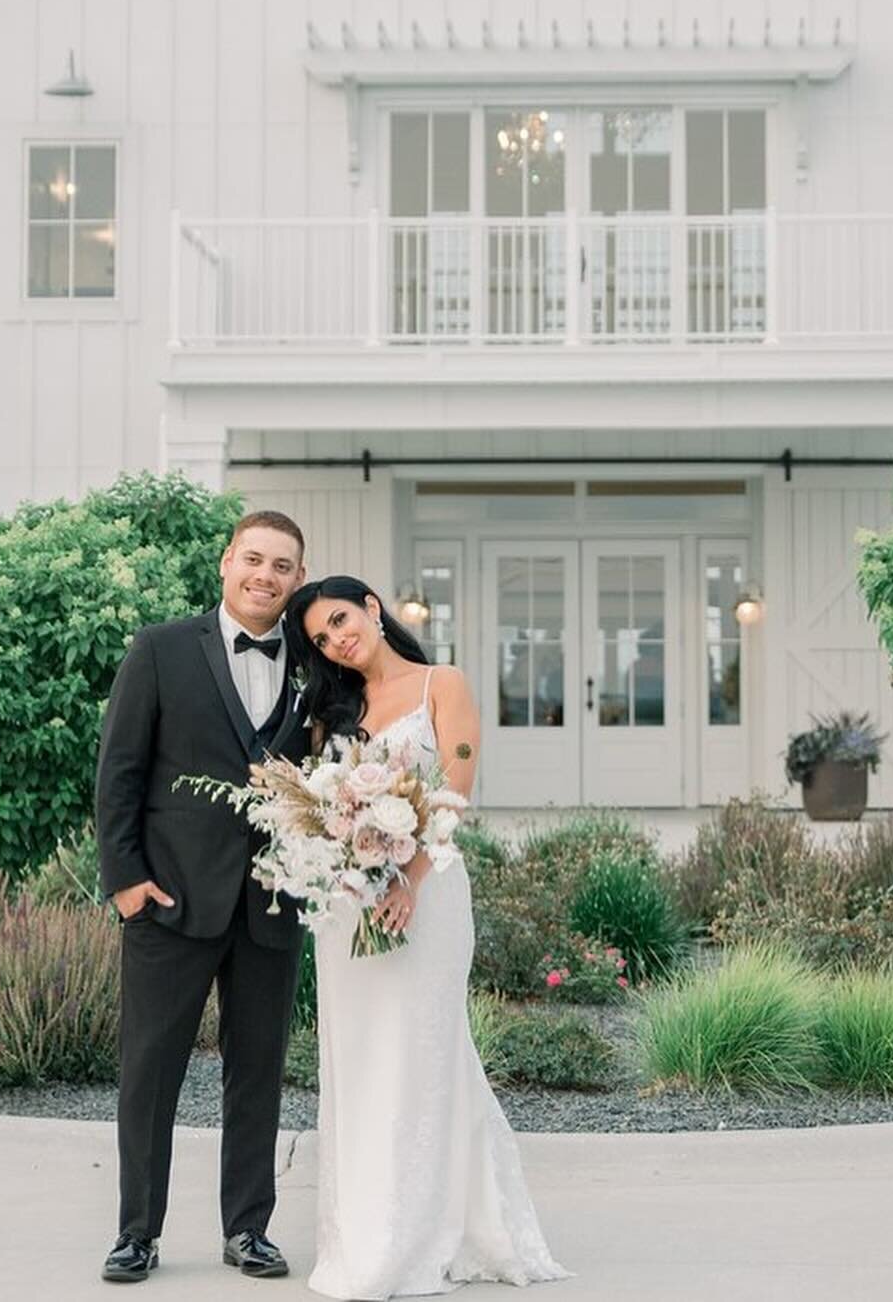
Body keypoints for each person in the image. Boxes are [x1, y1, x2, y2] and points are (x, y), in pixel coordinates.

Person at [283, 574, 569, 1301]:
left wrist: (407, 876)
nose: (337, 640)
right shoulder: (332, 711)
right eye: (320, 638)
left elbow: (456, 788)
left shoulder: (442, 682)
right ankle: (366, 1227)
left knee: (424, 1049)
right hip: (351, 906)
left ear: (373, 609)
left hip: (429, 890)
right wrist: (343, 859)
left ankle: (423, 1229)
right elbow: (320, 804)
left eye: (341, 620)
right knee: (359, 1055)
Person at [95, 510, 310, 1284]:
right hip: (169, 900)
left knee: (257, 1072)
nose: (266, 575)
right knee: (150, 1072)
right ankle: (135, 1233)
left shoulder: (315, 666)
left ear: (297, 578)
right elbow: (119, 772)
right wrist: (124, 883)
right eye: (254, 559)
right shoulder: (159, 650)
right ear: (226, 563)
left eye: (282, 565)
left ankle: (248, 1228)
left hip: (273, 904)